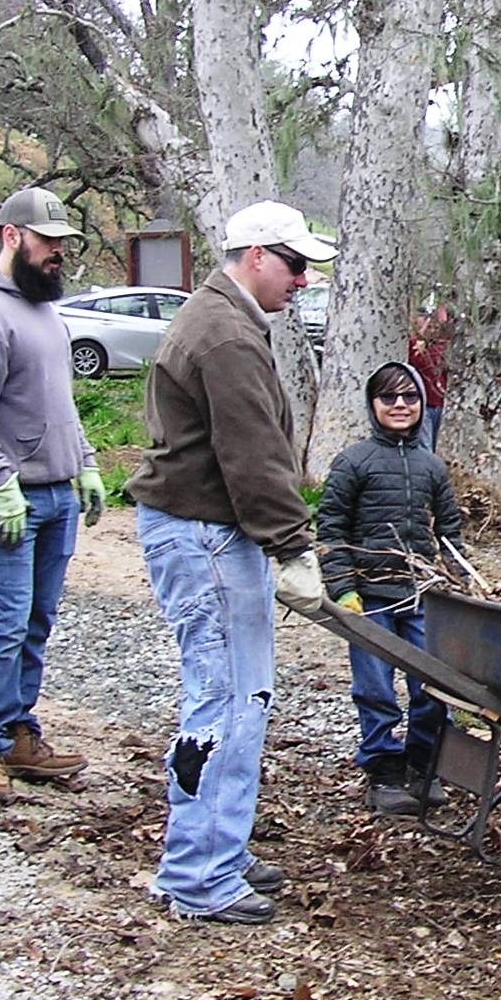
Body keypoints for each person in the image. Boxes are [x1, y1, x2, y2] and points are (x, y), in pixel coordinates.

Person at [126, 199, 337, 925]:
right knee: (228, 701)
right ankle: (198, 875)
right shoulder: (225, 335)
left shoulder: (224, 318)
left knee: (240, 695)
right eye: (295, 264)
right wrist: (293, 547)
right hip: (203, 535)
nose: (303, 280)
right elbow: (252, 458)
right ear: (255, 255)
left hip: (204, 530)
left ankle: (216, 843)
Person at [0, 187, 105, 807]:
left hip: (57, 494)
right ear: (12, 236)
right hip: (5, 501)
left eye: (63, 243)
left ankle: (17, 733)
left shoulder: (46, 312)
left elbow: (59, 406)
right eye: (48, 242)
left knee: (35, 624)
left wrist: (85, 464)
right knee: (5, 623)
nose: (58, 253)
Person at [318, 361, 464, 817]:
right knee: (375, 689)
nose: (400, 405)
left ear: (422, 405)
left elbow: (449, 531)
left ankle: (424, 768)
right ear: (373, 405)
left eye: (410, 397)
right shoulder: (353, 461)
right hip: (369, 597)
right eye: (389, 397)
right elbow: (331, 528)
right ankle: (383, 774)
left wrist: (455, 580)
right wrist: (342, 587)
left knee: (433, 689)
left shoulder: (431, 465)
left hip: (421, 595)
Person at [408, 305, 451, 452]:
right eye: (429, 326)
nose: (433, 330)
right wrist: (422, 338)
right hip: (422, 403)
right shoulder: (413, 345)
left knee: (438, 444)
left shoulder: (445, 348)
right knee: (425, 445)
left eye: (436, 327)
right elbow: (413, 363)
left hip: (441, 403)